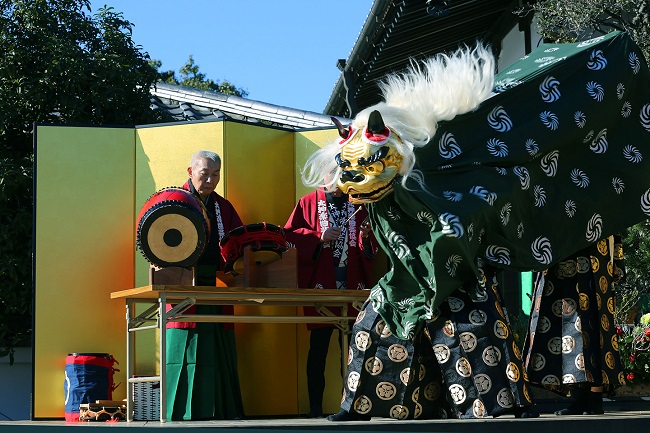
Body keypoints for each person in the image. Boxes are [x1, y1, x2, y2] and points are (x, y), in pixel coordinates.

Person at [284, 187, 378, 418]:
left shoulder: (358, 203)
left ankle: (354, 406)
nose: (338, 181)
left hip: (351, 282)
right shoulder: (308, 202)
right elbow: (288, 234)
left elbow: (371, 246)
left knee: (354, 349)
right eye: (334, 174)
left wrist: (366, 235)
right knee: (319, 346)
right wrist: (319, 236)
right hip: (322, 283)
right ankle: (315, 407)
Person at [165, 150, 245, 421]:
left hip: (218, 283)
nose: (210, 180)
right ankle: (180, 413)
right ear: (190, 172)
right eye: (204, 174)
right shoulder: (174, 201)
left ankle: (222, 410)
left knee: (219, 349)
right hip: (184, 283)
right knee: (186, 346)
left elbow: (238, 242)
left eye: (215, 175)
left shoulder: (224, 206)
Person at [523, 235, 626, 415]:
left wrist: (616, 260)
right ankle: (579, 396)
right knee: (568, 329)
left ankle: (595, 396)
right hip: (561, 252)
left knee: (593, 323)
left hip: (592, 253)